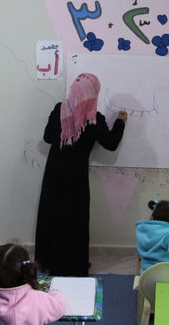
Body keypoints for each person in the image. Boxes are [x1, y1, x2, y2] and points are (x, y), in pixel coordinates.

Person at [35, 73, 127, 277]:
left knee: (53, 217)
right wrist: (120, 122)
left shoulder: (59, 110)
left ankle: (50, 263)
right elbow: (111, 144)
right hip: (76, 178)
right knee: (74, 221)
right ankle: (74, 266)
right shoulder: (94, 120)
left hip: (54, 175)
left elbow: (48, 137)